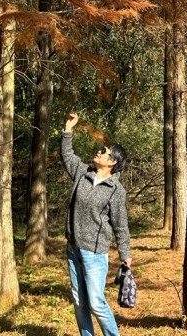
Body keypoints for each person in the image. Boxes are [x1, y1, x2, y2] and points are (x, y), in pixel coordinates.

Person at [61, 112, 132, 336]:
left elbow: (120, 225)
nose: (99, 152)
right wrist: (68, 129)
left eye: (104, 151)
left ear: (112, 162)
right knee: (79, 302)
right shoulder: (83, 174)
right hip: (73, 248)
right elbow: (67, 156)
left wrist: (125, 254)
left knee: (96, 303)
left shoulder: (116, 190)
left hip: (94, 253)